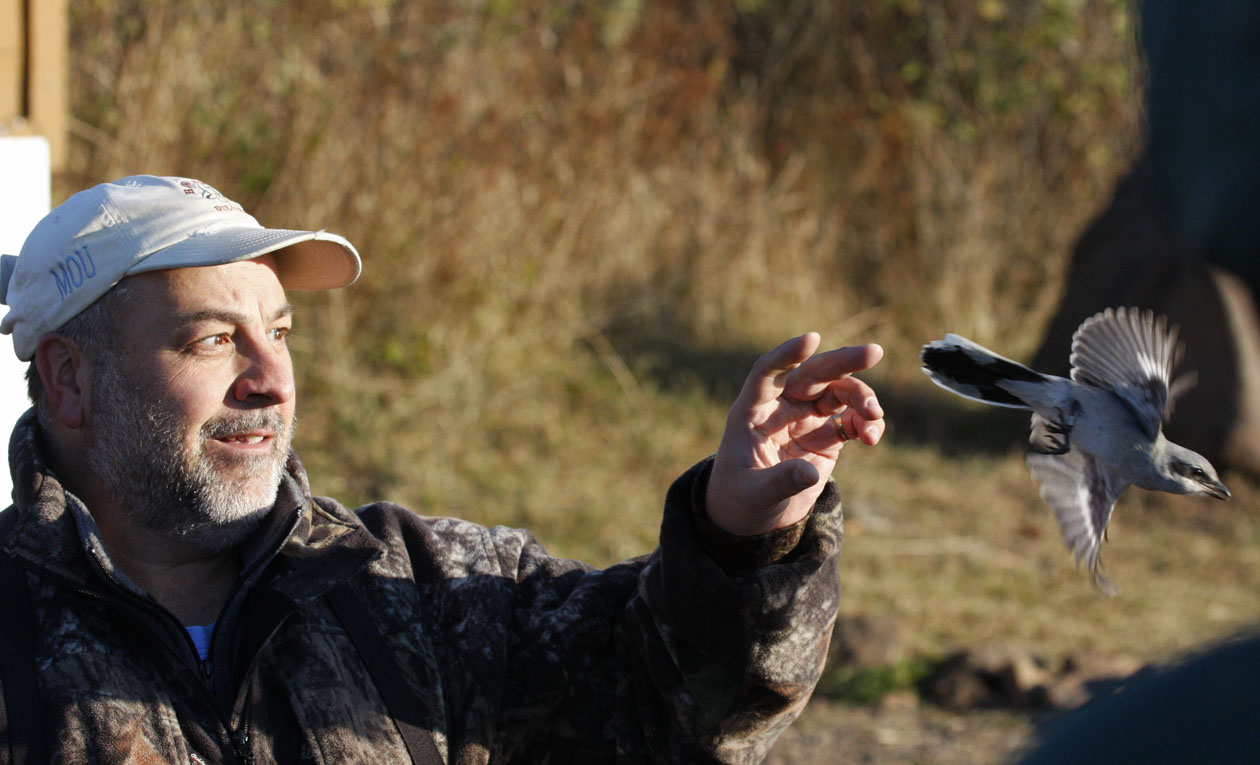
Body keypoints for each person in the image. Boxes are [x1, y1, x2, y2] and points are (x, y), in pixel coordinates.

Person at [0, 175, 885, 763]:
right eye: (214, 339)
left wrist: (736, 541)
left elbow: (673, 708)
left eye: (279, 331)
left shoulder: (413, 590)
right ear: (70, 380)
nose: (271, 382)